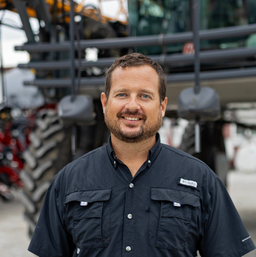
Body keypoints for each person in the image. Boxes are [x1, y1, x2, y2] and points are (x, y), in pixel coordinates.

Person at [28, 53, 255, 257]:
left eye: (145, 96)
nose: (132, 105)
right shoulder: (68, 181)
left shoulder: (201, 178)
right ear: (105, 103)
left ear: (162, 106)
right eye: (122, 94)